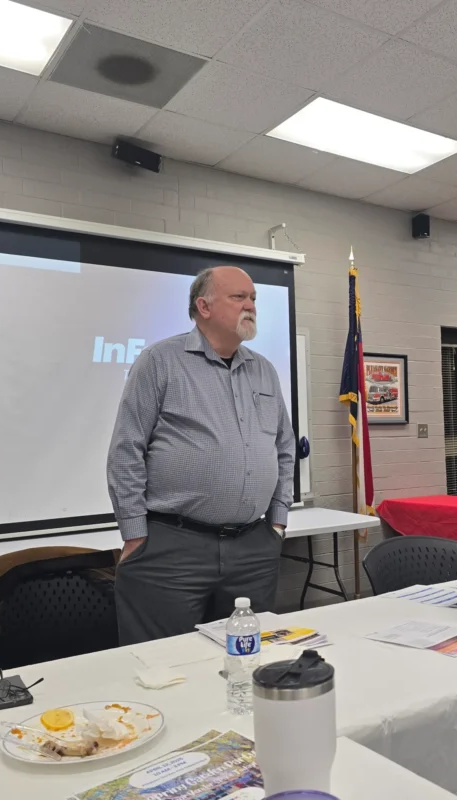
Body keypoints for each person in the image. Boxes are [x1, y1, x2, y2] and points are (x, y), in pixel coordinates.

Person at [107, 265, 295, 645]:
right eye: (238, 297)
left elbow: (284, 447)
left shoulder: (264, 371)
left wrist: (277, 522)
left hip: (253, 547)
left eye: (253, 298)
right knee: (164, 663)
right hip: (173, 547)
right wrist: (134, 534)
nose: (250, 306)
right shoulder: (160, 361)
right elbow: (126, 450)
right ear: (203, 307)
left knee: (246, 658)